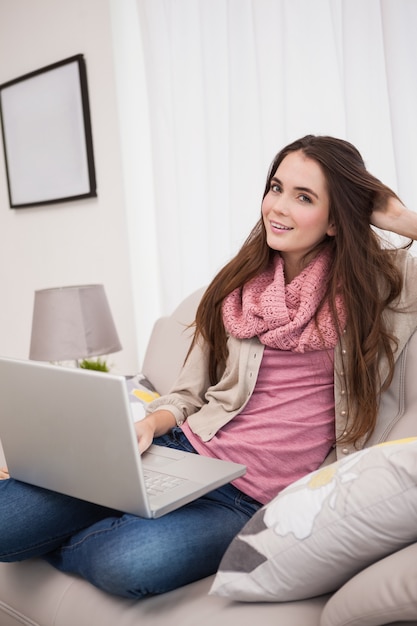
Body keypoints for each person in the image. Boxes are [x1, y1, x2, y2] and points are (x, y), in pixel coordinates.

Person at [1, 134, 417, 599]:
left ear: (337, 218)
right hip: (182, 452)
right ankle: (108, 501)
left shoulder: (379, 286)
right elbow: (186, 396)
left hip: (248, 499)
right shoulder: (235, 285)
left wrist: (397, 216)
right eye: (275, 188)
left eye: (304, 197)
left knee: (128, 563)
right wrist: (151, 424)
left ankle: (90, 524)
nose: (277, 207)